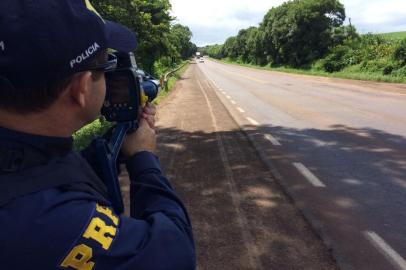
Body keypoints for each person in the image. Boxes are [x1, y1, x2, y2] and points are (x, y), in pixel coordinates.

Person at [0, 1, 196, 269]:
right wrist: (144, 160)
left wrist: (108, 151)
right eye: (106, 70)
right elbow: (176, 252)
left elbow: (42, 173)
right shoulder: (57, 221)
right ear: (80, 88)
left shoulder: (20, 157)